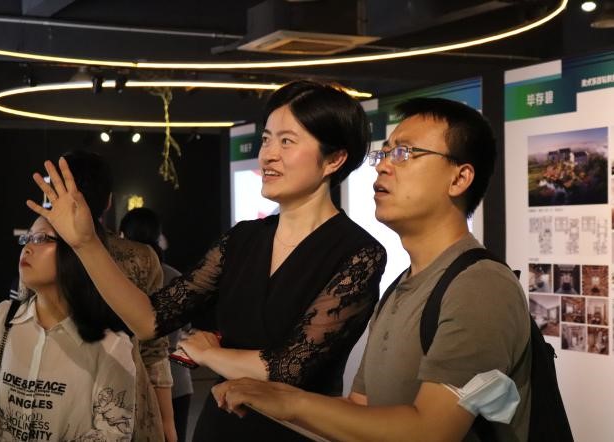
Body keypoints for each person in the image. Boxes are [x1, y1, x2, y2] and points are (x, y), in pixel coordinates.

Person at [26, 80, 387, 441]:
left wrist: (209, 355)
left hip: (296, 434)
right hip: (220, 426)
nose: (268, 155)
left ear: (334, 159)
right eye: (266, 140)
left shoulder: (359, 253)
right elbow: (149, 320)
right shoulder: (242, 238)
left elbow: (288, 368)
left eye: (287, 141)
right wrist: (86, 243)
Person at [212, 97, 532, 442]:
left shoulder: (480, 285)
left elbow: (431, 432)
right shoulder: (402, 286)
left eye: (405, 153)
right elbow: (361, 410)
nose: (383, 167)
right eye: (384, 154)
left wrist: (292, 402)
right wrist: (268, 398)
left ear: (459, 178)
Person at [0, 216, 136, 441]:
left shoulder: (110, 343)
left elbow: (112, 433)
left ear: (78, 251)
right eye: (27, 238)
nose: (26, 248)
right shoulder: (3, 318)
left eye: (40, 238)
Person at [57, 151, 177, 442]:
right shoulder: (142, 257)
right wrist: (167, 422)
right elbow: (154, 349)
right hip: (127, 400)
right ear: (109, 200)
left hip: (56, 396)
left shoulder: (43, 253)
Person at [119, 207, 193, 442]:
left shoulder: (116, 281)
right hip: (178, 383)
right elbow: (186, 329)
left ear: (123, 237)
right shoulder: (175, 277)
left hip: (134, 381)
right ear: (158, 236)